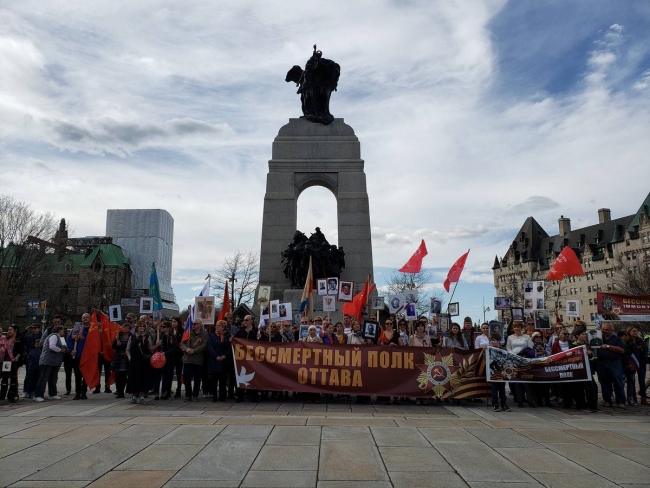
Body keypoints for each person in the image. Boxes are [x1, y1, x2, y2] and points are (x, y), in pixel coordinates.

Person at [33, 325, 68, 402]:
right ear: (59, 331)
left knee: (52, 378)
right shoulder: (54, 336)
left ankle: (52, 394)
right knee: (44, 378)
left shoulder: (61, 338)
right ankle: (38, 394)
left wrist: (65, 349)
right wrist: (60, 350)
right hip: (48, 360)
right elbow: (52, 346)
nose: (63, 332)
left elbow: (64, 346)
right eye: (62, 331)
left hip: (55, 361)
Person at [597, 322, 626, 408]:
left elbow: (622, 350)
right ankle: (607, 401)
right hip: (601, 363)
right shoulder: (599, 338)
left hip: (614, 363)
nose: (604, 331)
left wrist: (609, 346)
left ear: (611, 331)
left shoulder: (616, 339)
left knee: (617, 382)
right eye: (603, 329)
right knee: (604, 383)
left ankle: (620, 401)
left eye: (606, 330)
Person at [181, 317, 208, 402]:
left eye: (195, 324)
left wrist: (194, 351)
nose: (193, 325)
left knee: (197, 378)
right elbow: (182, 344)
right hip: (187, 359)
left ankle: (195, 395)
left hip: (197, 359)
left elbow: (204, 345)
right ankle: (188, 395)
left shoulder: (204, 334)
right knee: (187, 378)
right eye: (193, 323)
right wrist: (186, 349)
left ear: (200, 325)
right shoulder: (188, 333)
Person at [126, 321, 154, 404]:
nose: (142, 327)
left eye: (143, 326)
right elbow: (127, 349)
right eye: (140, 326)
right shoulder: (132, 337)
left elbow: (150, 349)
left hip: (144, 361)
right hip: (134, 361)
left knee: (143, 379)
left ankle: (142, 396)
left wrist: (156, 345)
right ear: (137, 328)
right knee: (134, 378)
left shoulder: (147, 337)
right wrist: (130, 358)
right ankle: (134, 396)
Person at [67, 313, 92, 400]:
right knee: (78, 375)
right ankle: (78, 392)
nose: (85, 319)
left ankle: (84, 392)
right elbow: (69, 340)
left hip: (88, 355)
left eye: (87, 317)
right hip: (78, 354)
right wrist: (71, 350)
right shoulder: (77, 328)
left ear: (90, 318)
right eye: (83, 317)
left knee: (85, 374)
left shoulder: (93, 329)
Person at [234, 315, 259, 402]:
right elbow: (235, 341)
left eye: (246, 320)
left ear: (251, 321)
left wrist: (260, 337)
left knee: (253, 376)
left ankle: (253, 395)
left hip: (253, 359)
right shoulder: (240, 332)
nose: (244, 321)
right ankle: (240, 395)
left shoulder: (256, 331)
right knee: (241, 375)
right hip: (242, 359)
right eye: (244, 320)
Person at [207, 320, 231, 402]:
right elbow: (210, 347)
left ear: (223, 327)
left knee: (223, 380)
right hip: (214, 360)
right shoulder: (213, 336)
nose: (217, 327)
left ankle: (222, 396)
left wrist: (224, 356)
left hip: (224, 361)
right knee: (214, 379)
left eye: (219, 326)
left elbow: (229, 347)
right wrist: (216, 356)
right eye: (216, 325)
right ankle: (214, 395)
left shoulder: (228, 336)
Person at [626, 326, 648, 405]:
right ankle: (633, 397)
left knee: (642, 381)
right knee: (632, 381)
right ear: (629, 332)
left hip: (641, 363)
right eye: (633, 331)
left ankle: (643, 398)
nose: (635, 333)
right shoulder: (628, 341)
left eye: (636, 331)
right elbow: (627, 352)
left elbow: (645, 350)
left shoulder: (640, 340)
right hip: (632, 363)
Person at [111, 322, 131, 399]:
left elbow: (130, 346)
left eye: (127, 327)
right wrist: (116, 342)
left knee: (124, 376)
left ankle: (122, 391)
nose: (125, 329)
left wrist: (121, 345)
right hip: (118, 358)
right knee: (118, 376)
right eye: (124, 327)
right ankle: (118, 391)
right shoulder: (118, 336)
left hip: (126, 359)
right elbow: (113, 346)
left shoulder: (131, 337)